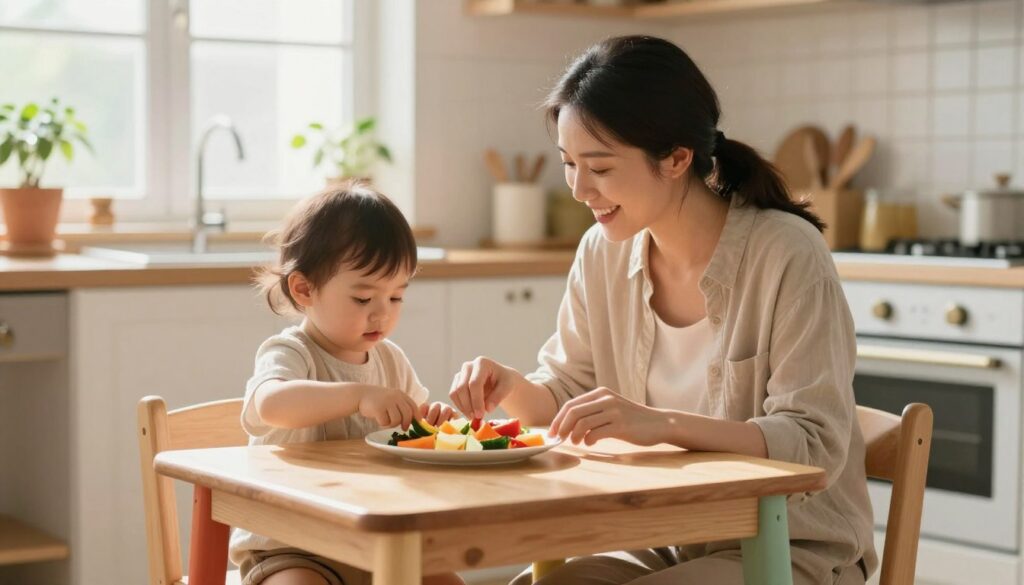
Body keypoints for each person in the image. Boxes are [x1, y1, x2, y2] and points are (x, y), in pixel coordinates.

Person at [449, 36, 875, 585]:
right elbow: (563, 394)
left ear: (676, 158)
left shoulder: (786, 253)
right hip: (662, 543)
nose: (579, 190)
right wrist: (506, 386)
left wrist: (661, 425)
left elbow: (813, 444)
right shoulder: (602, 252)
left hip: (792, 549)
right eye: (569, 164)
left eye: (599, 168)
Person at [232, 183, 464, 585]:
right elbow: (269, 404)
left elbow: (411, 430)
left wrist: (434, 422)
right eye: (363, 299)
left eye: (395, 298)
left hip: (373, 542)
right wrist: (357, 396)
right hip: (292, 545)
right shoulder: (291, 352)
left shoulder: (391, 361)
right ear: (304, 289)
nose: (382, 315)